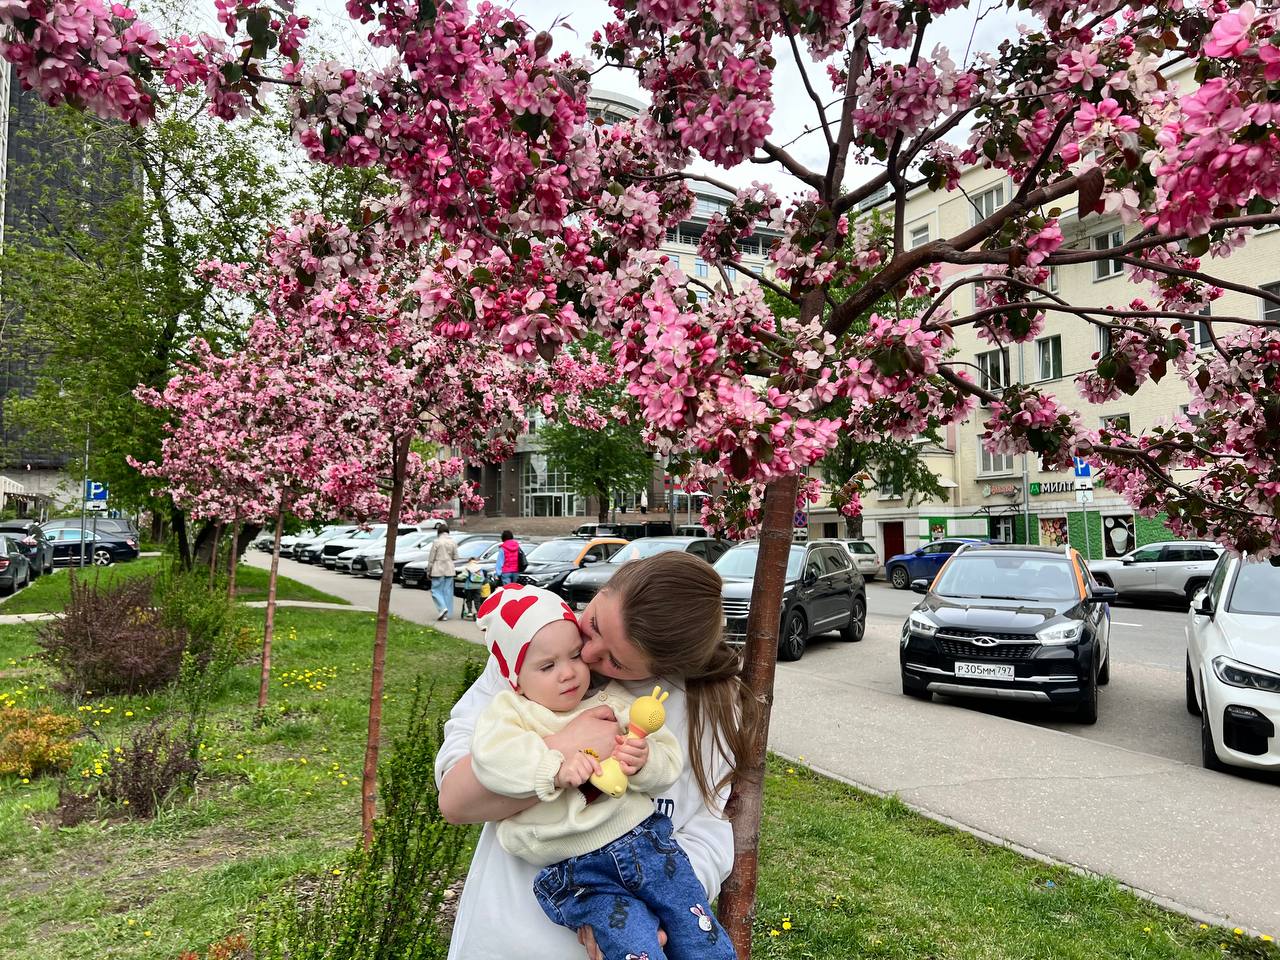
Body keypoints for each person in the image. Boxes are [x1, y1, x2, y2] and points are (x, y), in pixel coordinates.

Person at [436, 551, 752, 960]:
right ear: (605, 587)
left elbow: (708, 830)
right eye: (596, 624)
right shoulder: (533, 651)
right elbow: (456, 801)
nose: (585, 656)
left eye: (615, 661)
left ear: (664, 669)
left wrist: (641, 903)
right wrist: (569, 746)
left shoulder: (706, 709)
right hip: (505, 936)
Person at [427, 522, 459, 621]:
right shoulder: (453, 542)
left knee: (435, 590)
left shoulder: (436, 542)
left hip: (438, 568)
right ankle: (447, 614)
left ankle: (442, 608)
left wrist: (429, 570)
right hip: (449, 568)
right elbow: (455, 557)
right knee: (447, 591)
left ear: (439, 532)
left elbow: (431, 558)